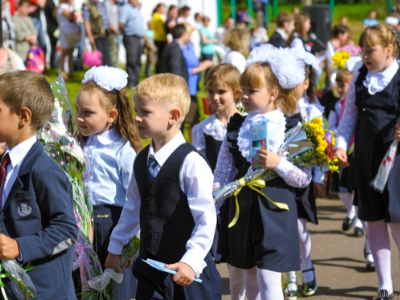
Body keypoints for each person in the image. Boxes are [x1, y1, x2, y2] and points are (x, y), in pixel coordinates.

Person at [105, 73, 222, 300]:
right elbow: (132, 207)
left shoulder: (191, 163)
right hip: (151, 274)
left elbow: (206, 220)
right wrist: (116, 246)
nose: (137, 118)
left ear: (173, 116)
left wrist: (191, 261)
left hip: (188, 278)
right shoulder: (141, 160)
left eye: (145, 112)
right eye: (136, 111)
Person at [215, 45, 312, 300]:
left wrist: (278, 162)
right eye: (243, 90)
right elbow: (223, 171)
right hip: (242, 210)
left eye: (252, 91)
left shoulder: (292, 126)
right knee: (250, 279)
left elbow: (303, 179)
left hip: (276, 210)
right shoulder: (236, 126)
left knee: (270, 279)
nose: (245, 96)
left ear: (273, 94)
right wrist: (213, 205)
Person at [0, 70, 78, 299]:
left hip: (43, 292)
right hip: (6, 291)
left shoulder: (44, 170)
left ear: (23, 116)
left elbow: (66, 229)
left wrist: (20, 247)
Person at [335, 25, 400, 300]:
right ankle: (384, 284)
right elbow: (348, 117)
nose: (365, 57)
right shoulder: (361, 78)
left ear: (389, 49)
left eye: (370, 51)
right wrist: (340, 145)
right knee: (373, 221)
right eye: (362, 52)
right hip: (365, 158)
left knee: (397, 221)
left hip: (395, 161)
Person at [76, 66, 141, 300]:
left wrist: (130, 242)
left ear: (111, 115)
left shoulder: (122, 150)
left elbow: (135, 197)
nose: (79, 118)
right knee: (90, 287)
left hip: (114, 224)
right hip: (87, 223)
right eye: (77, 111)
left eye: (87, 112)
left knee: (116, 287)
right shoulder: (81, 145)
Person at [192, 64, 242, 264]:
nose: (215, 97)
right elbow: (198, 165)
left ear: (236, 92)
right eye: (211, 91)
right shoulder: (203, 129)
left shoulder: (247, 124)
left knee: (240, 255)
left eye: (221, 92)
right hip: (214, 197)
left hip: (240, 196)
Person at [284, 52, 324, 299]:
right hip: (276, 176)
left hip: (303, 178)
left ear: (306, 83)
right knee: (283, 229)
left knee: (299, 229)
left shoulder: (311, 112)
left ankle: (307, 267)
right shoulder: (276, 110)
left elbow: (320, 150)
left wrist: (319, 178)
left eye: (295, 82)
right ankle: (288, 276)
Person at [328, 68, 375, 272]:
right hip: (344, 154)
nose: (340, 88)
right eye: (337, 84)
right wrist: (333, 147)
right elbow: (333, 127)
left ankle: (369, 245)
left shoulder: (361, 98)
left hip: (361, 154)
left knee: (364, 200)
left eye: (343, 84)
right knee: (343, 190)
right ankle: (354, 217)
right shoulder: (337, 106)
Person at [180, 23, 213, 132]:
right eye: (189, 33)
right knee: (188, 120)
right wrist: (202, 67)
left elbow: (194, 62)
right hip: (185, 88)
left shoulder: (189, 45)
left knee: (194, 120)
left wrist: (202, 64)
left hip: (193, 88)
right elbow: (183, 70)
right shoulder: (180, 48)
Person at [119, 0, 145, 88]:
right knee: (131, 60)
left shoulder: (136, 9)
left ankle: (136, 81)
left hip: (138, 38)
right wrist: (125, 33)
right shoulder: (126, 8)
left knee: (137, 61)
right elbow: (121, 24)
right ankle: (131, 82)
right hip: (130, 37)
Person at [83, 0, 111, 66]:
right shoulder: (87, 5)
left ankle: (107, 73)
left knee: (106, 56)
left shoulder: (100, 4)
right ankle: (99, 74)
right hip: (96, 35)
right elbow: (86, 22)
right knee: (99, 58)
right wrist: (90, 36)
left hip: (104, 33)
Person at [57, 0, 80, 80]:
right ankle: (61, 72)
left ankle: (71, 72)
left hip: (71, 32)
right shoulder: (63, 7)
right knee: (64, 52)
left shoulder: (67, 7)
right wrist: (74, 9)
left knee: (70, 52)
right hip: (65, 33)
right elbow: (70, 17)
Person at [199, 16, 217, 84]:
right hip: (206, 51)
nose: (208, 23)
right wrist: (213, 40)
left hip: (210, 50)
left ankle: (207, 82)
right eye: (207, 21)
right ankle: (205, 83)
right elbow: (204, 41)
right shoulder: (202, 30)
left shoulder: (207, 29)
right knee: (206, 68)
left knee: (209, 68)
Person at [150, 3, 167, 72]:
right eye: (163, 8)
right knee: (160, 59)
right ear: (158, 8)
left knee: (159, 58)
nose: (164, 10)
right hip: (160, 40)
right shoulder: (157, 17)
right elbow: (161, 30)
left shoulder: (156, 16)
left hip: (159, 39)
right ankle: (159, 73)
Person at [104, 0, 120, 67]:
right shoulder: (107, 4)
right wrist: (114, 29)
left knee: (115, 53)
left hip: (115, 32)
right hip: (111, 32)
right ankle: (111, 71)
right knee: (112, 53)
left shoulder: (115, 5)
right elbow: (106, 19)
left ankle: (114, 70)